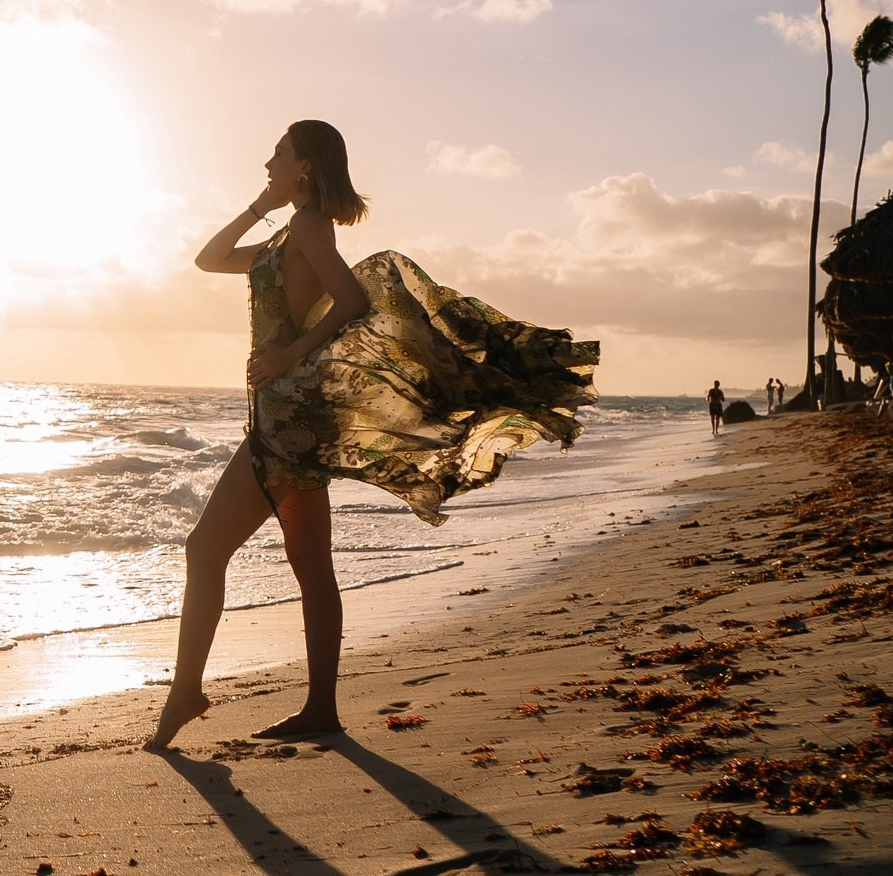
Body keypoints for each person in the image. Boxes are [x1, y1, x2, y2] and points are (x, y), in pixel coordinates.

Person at [146, 120, 598, 751]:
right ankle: (321, 709)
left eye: (278, 155)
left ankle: (188, 691)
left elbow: (352, 301)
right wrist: (259, 206)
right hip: (287, 413)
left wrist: (287, 357)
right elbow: (209, 259)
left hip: (291, 419)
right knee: (311, 567)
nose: (267, 162)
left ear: (304, 165)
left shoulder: (308, 228)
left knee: (205, 551)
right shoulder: (288, 231)